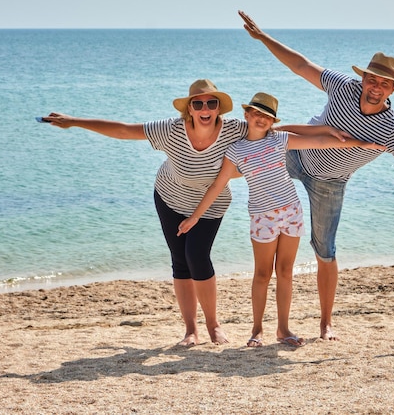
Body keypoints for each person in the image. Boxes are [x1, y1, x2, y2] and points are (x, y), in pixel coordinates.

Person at [239, 11, 394, 341]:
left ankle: (326, 322)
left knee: (325, 250)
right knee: (246, 155)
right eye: (372, 80)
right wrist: (264, 37)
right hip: (296, 154)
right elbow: (300, 65)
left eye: (384, 84)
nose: (375, 87)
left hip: (330, 183)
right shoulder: (342, 87)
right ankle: (198, 187)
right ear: (364, 78)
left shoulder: (392, 128)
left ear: (392, 89)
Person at [40, 79, 249, 346]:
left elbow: (270, 132)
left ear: (219, 108)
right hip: (169, 197)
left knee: (197, 256)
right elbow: (125, 131)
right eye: (198, 103)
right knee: (181, 262)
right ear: (190, 109)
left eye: (212, 103)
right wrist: (75, 121)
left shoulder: (234, 131)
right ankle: (190, 330)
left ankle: (213, 325)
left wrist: (319, 137)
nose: (205, 108)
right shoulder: (171, 130)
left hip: (210, 205)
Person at [177, 92, 386, 347]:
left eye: (267, 116)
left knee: (285, 272)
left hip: (291, 212)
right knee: (262, 274)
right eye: (257, 113)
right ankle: (256, 330)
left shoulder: (280, 140)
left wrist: (360, 144)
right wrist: (195, 217)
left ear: (273, 121)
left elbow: (321, 141)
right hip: (262, 216)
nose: (261, 119)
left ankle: (283, 329)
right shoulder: (236, 150)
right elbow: (218, 185)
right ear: (247, 115)